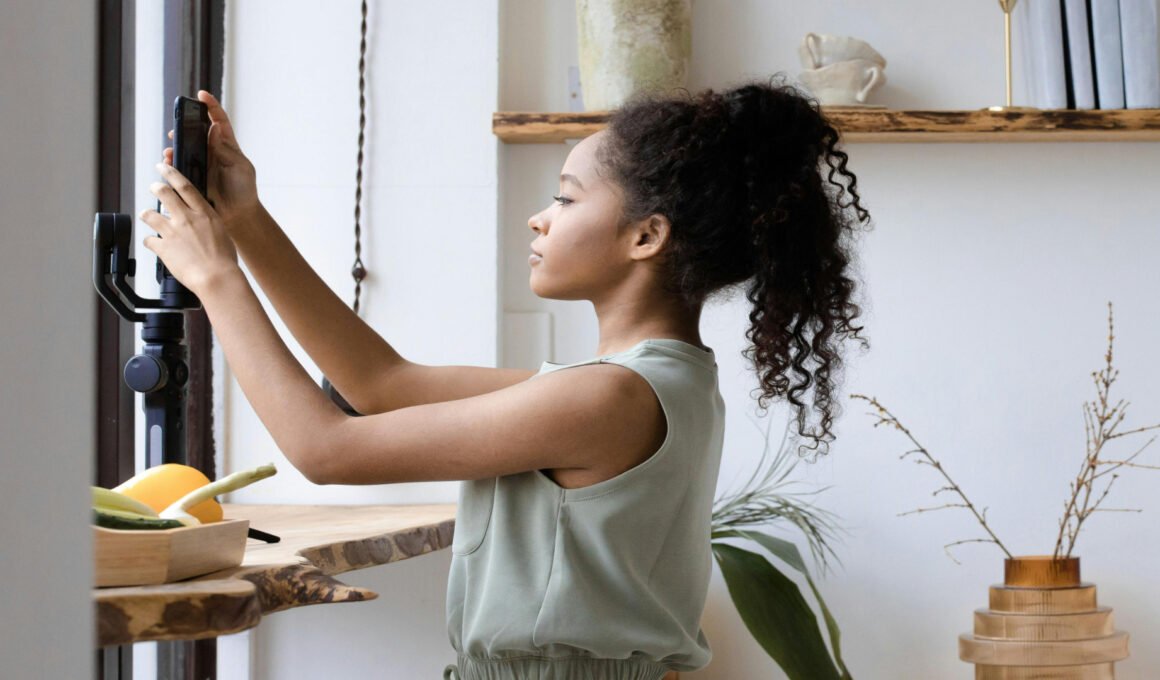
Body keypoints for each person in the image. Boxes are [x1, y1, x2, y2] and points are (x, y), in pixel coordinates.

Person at [143, 73, 870, 680]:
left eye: (565, 197)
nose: (539, 219)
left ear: (647, 236)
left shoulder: (605, 397)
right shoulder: (632, 385)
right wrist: (246, 221)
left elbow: (326, 449)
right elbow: (381, 384)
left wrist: (216, 279)